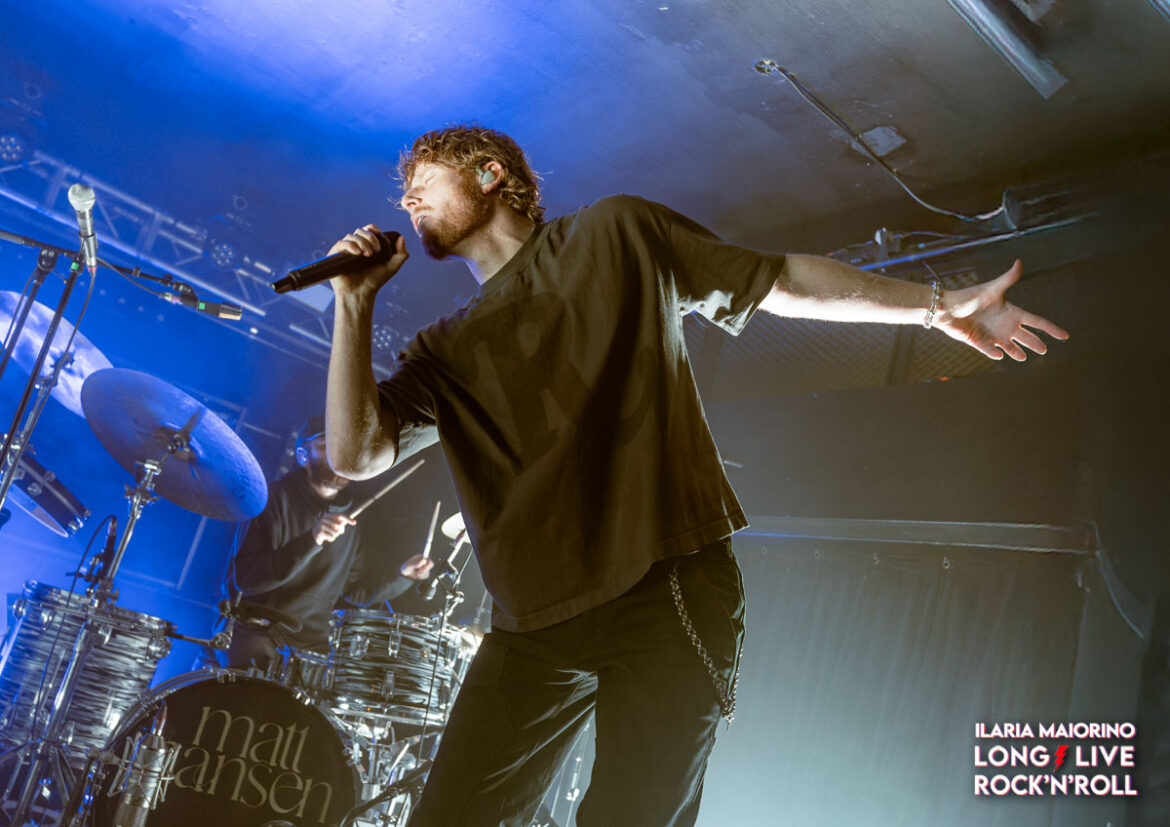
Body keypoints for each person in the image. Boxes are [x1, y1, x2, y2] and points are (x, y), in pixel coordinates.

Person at [322, 126, 1068, 826]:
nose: (407, 199)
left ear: (491, 175)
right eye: (404, 194)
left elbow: (779, 280)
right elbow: (355, 455)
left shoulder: (614, 232)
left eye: (424, 180)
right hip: (531, 624)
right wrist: (353, 305)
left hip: (665, 584)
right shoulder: (444, 350)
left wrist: (937, 308)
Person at [223, 415, 433, 674]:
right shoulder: (270, 499)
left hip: (310, 648)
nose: (337, 453)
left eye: (343, 445)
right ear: (303, 456)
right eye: (325, 444)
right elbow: (247, 580)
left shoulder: (352, 518)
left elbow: (354, 591)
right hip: (256, 633)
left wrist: (403, 576)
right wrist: (311, 540)